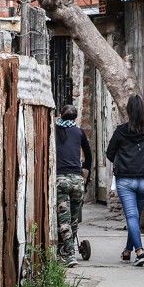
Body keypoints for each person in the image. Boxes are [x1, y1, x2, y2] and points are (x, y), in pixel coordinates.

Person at [106, 94, 144, 267]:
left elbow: (109, 153)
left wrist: (123, 160)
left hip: (126, 181)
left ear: (128, 111)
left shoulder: (121, 131)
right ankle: (127, 251)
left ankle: (140, 251)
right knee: (133, 217)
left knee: (132, 217)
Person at [55, 105, 92, 268]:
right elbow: (89, 156)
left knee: (63, 219)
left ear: (60, 115)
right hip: (77, 181)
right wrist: (86, 174)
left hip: (61, 180)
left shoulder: (54, 130)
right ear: (75, 118)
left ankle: (69, 254)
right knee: (73, 219)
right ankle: (66, 250)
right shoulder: (79, 132)